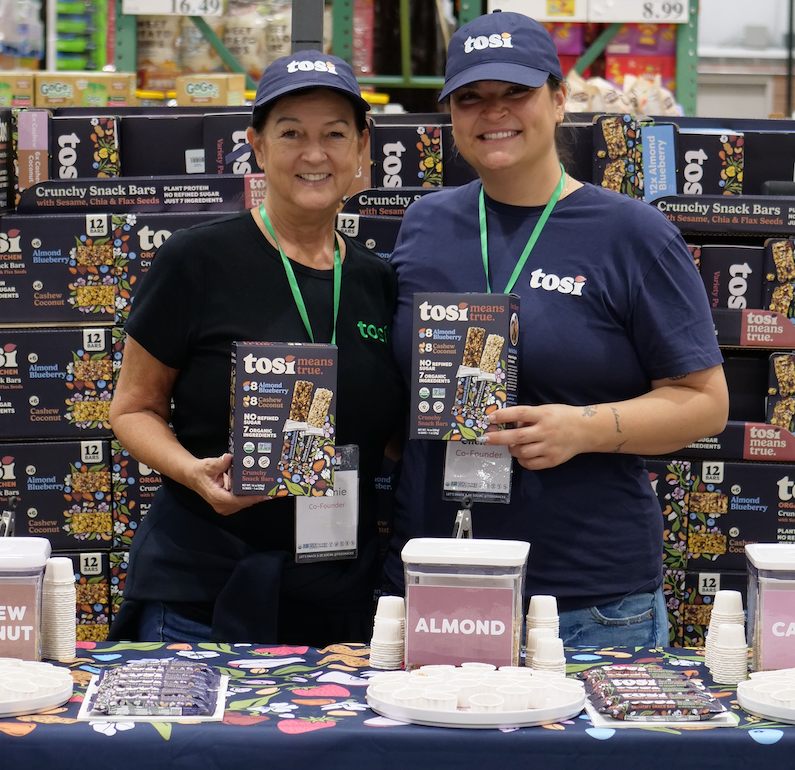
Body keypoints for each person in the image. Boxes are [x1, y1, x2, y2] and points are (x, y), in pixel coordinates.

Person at [383, 11, 729, 647]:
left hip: (587, 602)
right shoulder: (424, 224)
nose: (494, 112)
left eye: (516, 92)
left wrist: (583, 428)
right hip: (438, 580)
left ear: (560, 99)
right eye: (471, 97)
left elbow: (705, 403)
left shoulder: (632, 234)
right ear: (451, 115)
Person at [109, 50, 404, 647]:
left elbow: (388, 436)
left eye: (334, 134)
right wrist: (192, 472)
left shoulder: (379, 280)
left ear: (362, 149)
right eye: (291, 133)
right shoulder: (197, 259)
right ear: (258, 147)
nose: (314, 154)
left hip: (337, 594)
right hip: (204, 590)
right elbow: (132, 409)